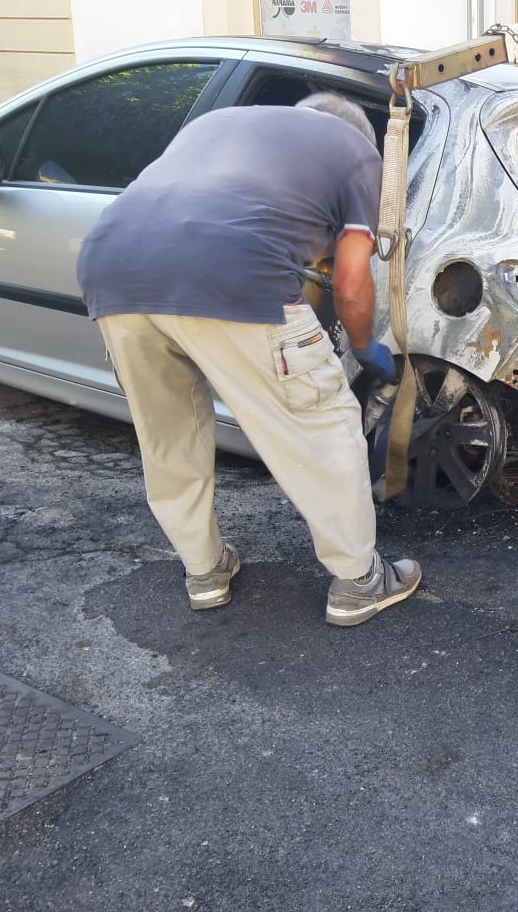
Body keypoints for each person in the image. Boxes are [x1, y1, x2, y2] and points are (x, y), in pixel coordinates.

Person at [76, 94, 421, 627]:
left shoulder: (218, 125)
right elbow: (351, 283)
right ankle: (359, 581)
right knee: (320, 420)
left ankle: (205, 571)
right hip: (234, 270)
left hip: (110, 268)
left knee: (168, 435)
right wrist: (362, 347)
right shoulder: (355, 149)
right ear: (357, 131)